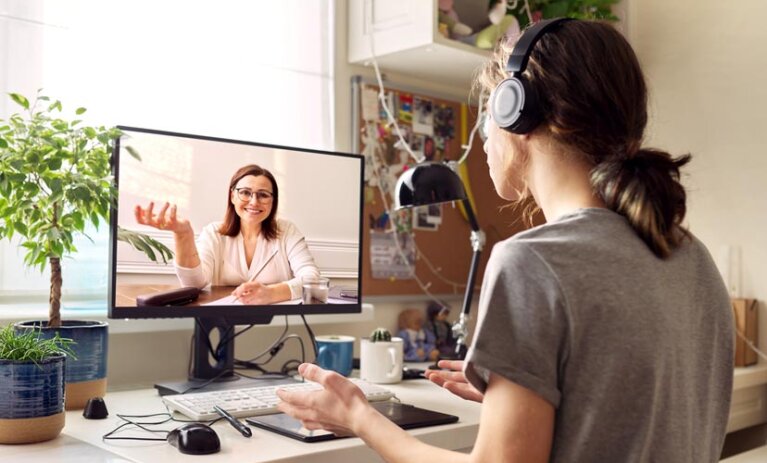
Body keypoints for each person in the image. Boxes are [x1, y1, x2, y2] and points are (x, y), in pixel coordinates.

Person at [276, 19, 733, 462]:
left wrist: (359, 416)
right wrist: (533, 400)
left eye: (485, 118)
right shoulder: (692, 258)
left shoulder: (532, 262)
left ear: (517, 112)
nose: (485, 139)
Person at [134, 164, 320, 304]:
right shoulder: (213, 233)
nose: (254, 202)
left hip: (279, 323)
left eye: (263, 195)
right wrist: (183, 235)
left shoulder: (287, 231)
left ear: (273, 201)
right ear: (232, 196)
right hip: (223, 323)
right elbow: (194, 283)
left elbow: (312, 278)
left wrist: (271, 293)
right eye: (245, 192)